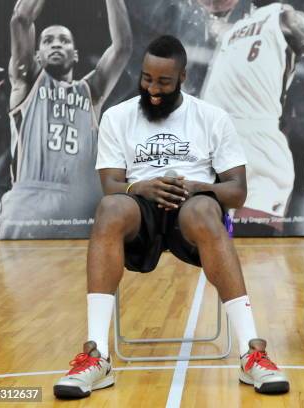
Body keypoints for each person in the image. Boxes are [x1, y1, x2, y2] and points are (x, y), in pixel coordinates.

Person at [53, 35, 289, 399]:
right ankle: (96, 356)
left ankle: (251, 352)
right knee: (110, 208)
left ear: (183, 78)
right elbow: (110, 185)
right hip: (139, 209)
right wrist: (140, 188)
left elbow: (237, 191)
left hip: (192, 210)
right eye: (147, 78)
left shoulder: (211, 117)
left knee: (206, 210)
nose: (153, 89)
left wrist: (196, 187)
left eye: (163, 81)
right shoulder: (118, 117)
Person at [199, 0, 304, 232]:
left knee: (254, 248)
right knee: (208, 249)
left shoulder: (289, 19)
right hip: (215, 143)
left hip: (258, 145)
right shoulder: (231, 30)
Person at [0, 0, 132, 239]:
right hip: (28, 203)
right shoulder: (26, 82)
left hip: (78, 204)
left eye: (64, 40)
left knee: (78, 277)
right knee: (16, 277)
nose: (56, 43)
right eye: (48, 40)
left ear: (76, 54)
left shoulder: (92, 91)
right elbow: (20, 19)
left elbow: (122, 47)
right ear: (37, 54)